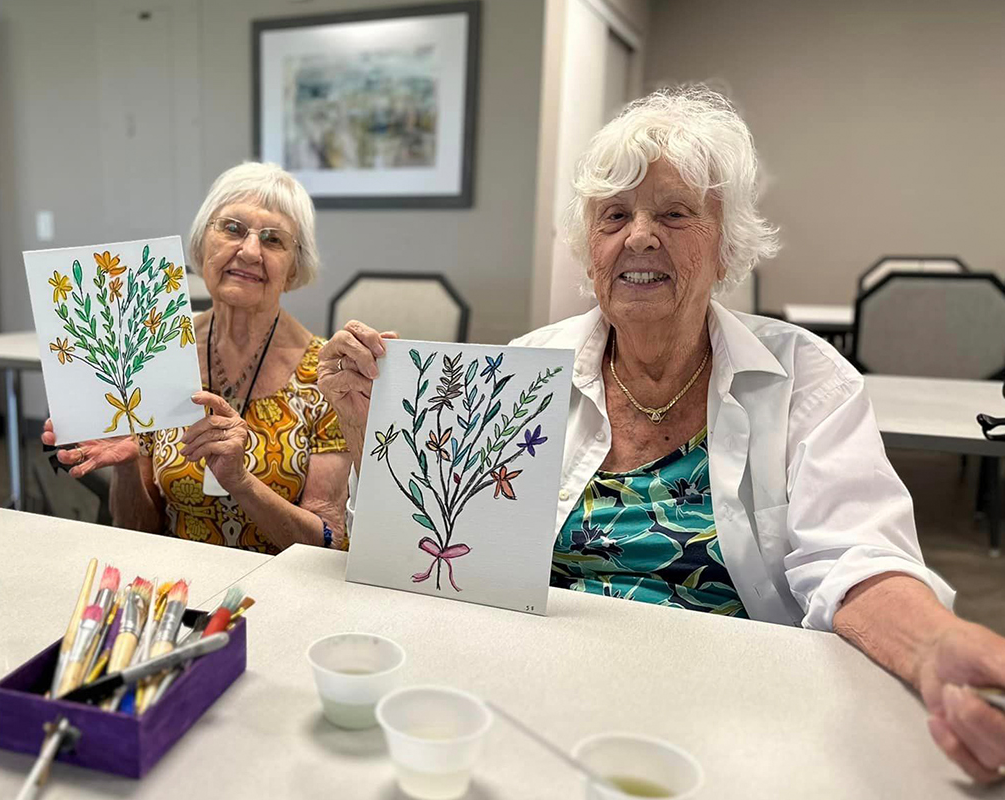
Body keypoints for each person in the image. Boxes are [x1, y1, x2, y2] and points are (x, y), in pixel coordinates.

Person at [318, 86, 1005, 783]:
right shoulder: (526, 372)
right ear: (590, 251)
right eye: (614, 215)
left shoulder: (805, 381)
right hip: (535, 695)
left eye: (675, 213)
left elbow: (859, 558)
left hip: (733, 714)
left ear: (727, 248)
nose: (639, 235)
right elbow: (436, 556)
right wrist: (366, 434)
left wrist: (932, 647)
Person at [43, 162, 349, 554]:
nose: (250, 251)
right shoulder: (155, 350)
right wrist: (126, 466)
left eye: (273, 240)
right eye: (233, 229)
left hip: (282, 594)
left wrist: (241, 482)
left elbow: (328, 539)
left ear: (293, 269)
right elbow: (136, 527)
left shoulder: (324, 374)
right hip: (178, 583)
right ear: (203, 246)